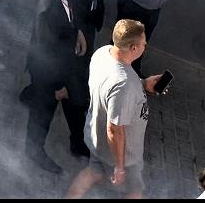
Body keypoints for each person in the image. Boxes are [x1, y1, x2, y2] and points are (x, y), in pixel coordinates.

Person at [66, 19, 165, 200]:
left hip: (96, 136)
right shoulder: (123, 84)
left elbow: (111, 91)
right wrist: (120, 167)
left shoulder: (103, 53)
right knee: (134, 191)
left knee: (93, 172)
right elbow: (115, 130)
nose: (145, 45)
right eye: (144, 43)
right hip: (123, 154)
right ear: (134, 48)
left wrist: (143, 84)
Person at [23, 0, 90, 173]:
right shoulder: (47, 11)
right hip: (48, 74)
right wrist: (58, 87)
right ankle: (33, 152)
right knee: (42, 114)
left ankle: (77, 143)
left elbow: (72, 15)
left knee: (77, 104)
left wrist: (78, 32)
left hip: (66, 66)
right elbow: (46, 54)